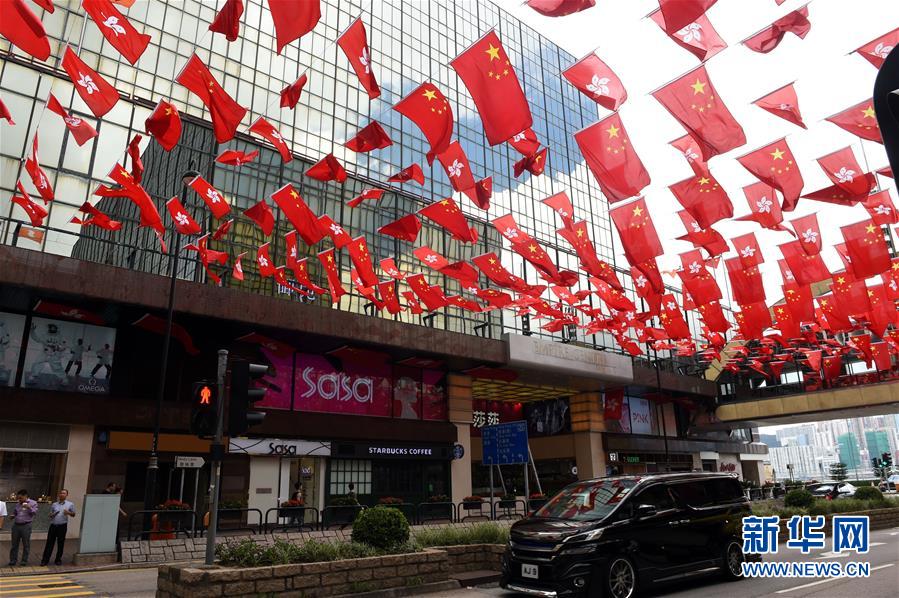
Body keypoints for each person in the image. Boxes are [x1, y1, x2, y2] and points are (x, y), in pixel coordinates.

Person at [41, 489, 76, 566]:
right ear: (59, 495)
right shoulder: (54, 504)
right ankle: (45, 560)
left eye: (64, 493)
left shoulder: (70, 504)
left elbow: (73, 514)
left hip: (62, 526)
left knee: (60, 543)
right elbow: (50, 515)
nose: (62, 494)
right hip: (53, 526)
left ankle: (58, 559)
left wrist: (68, 512)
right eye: (61, 493)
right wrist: (53, 514)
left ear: (67, 495)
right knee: (49, 543)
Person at [8, 489, 38, 566]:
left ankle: (24, 561)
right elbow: (15, 512)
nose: (19, 500)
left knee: (26, 544)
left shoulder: (33, 503)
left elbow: (34, 513)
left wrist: (29, 507)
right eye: (18, 498)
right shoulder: (18, 504)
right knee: (14, 544)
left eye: (21, 498)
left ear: (25, 496)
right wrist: (13, 516)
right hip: (16, 526)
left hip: (26, 526)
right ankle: (13, 560)